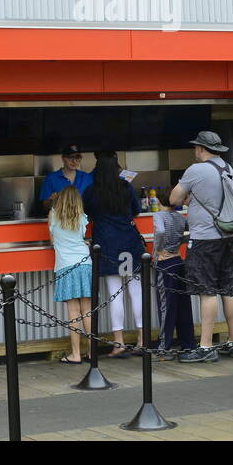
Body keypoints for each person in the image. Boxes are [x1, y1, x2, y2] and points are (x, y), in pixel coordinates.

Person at [170, 131, 233, 363]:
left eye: (196, 147)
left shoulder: (195, 170)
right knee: (228, 289)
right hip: (229, 236)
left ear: (201, 148)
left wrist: (189, 195)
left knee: (207, 291)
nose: (195, 151)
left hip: (204, 239)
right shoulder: (228, 168)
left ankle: (205, 346)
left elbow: (173, 199)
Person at [83, 150, 145, 358]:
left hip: (107, 245)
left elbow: (88, 214)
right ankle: (142, 340)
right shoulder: (125, 187)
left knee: (114, 292)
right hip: (129, 242)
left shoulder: (91, 191)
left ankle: (118, 342)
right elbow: (136, 210)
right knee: (136, 291)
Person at [48, 187, 92, 363]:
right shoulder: (82, 217)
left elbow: (52, 241)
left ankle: (75, 354)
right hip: (85, 263)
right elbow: (82, 237)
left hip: (65, 265)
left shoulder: (53, 215)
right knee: (87, 311)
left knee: (74, 311)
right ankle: (92, 352)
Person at [151, 200, 196, 358]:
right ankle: (189, 344)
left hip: (164, 263)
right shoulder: (180, 217)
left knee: (166, 306)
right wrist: (179, 244)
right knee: (183, 306)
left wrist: (159, 249)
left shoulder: (158, 215)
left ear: (159, 201)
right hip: (178, 260)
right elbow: (192, 232)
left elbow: (161, 231)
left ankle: (164, 346)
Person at [40, 145, 93, 213]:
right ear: (63, 158)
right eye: (71, 157)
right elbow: (45, 207)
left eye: (77, 157)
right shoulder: (51, 178)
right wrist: (51, 201)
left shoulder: (87, 178)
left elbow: (94, 203)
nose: (74, 161)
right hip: (61, 221)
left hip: (84, 221)